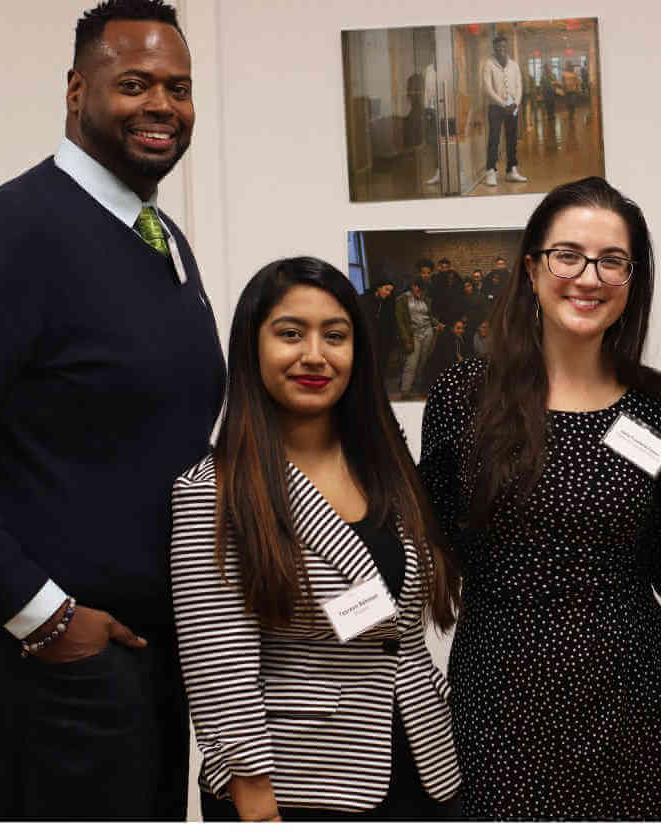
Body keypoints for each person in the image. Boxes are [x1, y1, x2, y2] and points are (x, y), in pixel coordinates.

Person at [0, 0, 225, 819]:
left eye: (178, 88)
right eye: (135, 83)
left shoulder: (159, 236)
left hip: (144, 664)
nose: (162, 106)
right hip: (49, 675)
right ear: (77, 91)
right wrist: (41, 615)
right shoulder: (10, 236)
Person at [419, 176, 661, 819]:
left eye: (612, 261)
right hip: (500, 700)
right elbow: (432, 540)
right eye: (568, 255)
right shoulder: (464, 396)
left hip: (634, 704)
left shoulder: (657, 408)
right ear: (531, 268)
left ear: (633, 280)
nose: (589, 278)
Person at [170, 257, 462, 821]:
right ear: (252, 347)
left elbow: (397, 628)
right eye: (290, 334)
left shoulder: (386, 465)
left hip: (422, 766)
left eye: (335, 336)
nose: (314, 355)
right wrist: (257, 805)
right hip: (296, 787)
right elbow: (218, 665)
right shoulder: (214, 491)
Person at [482, 35, 527, 188]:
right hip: (495, 106)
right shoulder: (488, 64)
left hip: (512, 106)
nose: (501, 49)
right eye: (498, 46)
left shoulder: (514, 65)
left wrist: (516, 103)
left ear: (506, 47)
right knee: (494, 139)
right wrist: (503, 104)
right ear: (494, 47)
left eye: (503, 46)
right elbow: (487, 88)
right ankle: (491, 171)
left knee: (512, 139)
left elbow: (519, 85)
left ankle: (511, 170)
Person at [396, 278, 437, 398]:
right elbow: (400, 322)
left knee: (423, 362)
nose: (421, 292)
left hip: (428, 332)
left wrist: (437, 324)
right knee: (411, 362)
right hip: (413, 334)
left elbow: (429, 316)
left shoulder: (426, 299)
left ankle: (419, 386)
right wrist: (406, 339)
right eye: (418, 289)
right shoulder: (402, 299)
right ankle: (405, 390)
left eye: (423, 290)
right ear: (413, 286)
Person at [359, 276, 398, 383]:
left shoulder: (389, 301)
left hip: (383, 340)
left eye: (390, 291)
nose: (388, 293)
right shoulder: (364, 300)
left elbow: (391, 321)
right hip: (367, 339)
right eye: (386, 289)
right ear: (378, 287)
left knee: (381, 368)